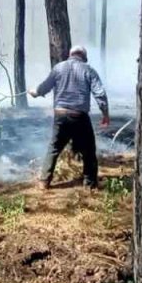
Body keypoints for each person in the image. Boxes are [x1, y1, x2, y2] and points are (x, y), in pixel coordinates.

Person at [29, 46, 109, 189]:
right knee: (89, 150)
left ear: (70, 54)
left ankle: (44, 181)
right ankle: (90, 184)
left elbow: (44, 87)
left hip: (60, 115)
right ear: (84, 57)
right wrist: (105, 114)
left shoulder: (58, 68)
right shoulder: (88, 70)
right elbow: (100, 94)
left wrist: (34, 92)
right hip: (79, 116)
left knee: (54, 148)